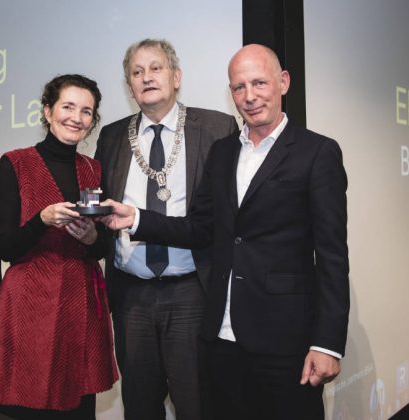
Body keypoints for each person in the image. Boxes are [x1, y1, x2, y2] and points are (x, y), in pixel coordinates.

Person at [101, 44, 350, 420]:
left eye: (259, 83)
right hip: (222, 337)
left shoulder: (317, 152)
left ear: (283, 83)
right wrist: (136, 219)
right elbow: (200, 228)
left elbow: (332, 256)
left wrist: (327, 343)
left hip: (285, 339)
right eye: (238, 87)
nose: (249, 97)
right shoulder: (223, 152)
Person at [94, 38, 238, 420]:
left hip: (191, 291)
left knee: (197, 405)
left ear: (176, 77)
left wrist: (139, 219)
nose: (146, 78)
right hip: (131, 297)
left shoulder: (216, 127)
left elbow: (222, 220)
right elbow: (102, 212)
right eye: (137, 73)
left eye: (155, 68)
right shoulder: (111, 136)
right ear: (129, 87)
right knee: (140, 407)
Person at [0, 74, 118, 420]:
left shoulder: (93, 169)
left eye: (87, 111)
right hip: (31, 304)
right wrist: (41, 219)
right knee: (33, 406)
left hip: (81, 303)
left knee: (79, 408)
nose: (76, 117)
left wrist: (92, 239)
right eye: (68, 107)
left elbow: (103, 245)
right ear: (47, 111)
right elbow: (6, 248)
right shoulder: (14, 163)